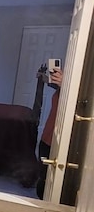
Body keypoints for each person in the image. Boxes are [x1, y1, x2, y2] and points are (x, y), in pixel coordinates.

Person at [36, 67, 63, 199]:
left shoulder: (74, 92)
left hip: (55, 141)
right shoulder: (61, 89)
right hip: (47, 136)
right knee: (43, 175)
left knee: (46, 181)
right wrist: (44, 78)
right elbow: (55, 86)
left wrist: (65, 85)